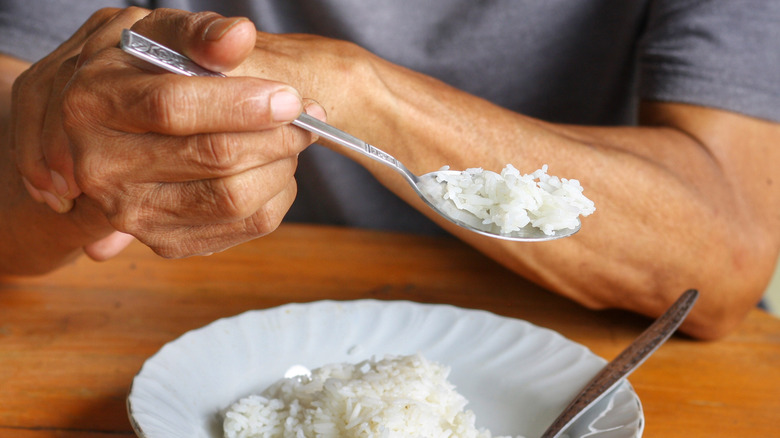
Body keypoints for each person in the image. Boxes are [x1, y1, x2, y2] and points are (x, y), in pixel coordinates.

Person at [1, 2, 778, 340]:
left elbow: (729, 252)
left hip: (561, 343)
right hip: (180, 325)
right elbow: (13, 200)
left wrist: (355, 91)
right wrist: (79, 157)